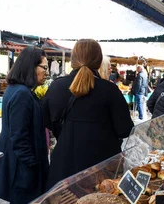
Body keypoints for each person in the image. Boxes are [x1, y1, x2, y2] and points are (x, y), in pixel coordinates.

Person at [43, 39, 133, 190]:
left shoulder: (56, 86)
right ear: (98, 62)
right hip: (102, 169)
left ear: (72, 60)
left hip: (64, 166)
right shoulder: (109, 90)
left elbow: (47, 121)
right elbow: (124, 129)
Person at [0, 46, 49, 204]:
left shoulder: (18, 90)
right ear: (31, 67)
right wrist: (32, 165)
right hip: (22, 171)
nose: (46, 72)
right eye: (44, 67)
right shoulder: (22, 94)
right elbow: (19, 136)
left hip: (22, 168)